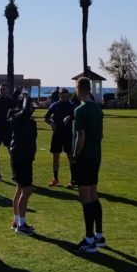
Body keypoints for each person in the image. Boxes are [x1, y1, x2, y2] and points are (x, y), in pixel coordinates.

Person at [73, 77, 105, 254]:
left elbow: (81, 137)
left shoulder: (80, 110)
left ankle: (89, 239)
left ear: (78, 89)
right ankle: (99, 236)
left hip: (84, 158)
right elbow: (101, 136)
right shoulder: (97, 109)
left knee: (85, 197)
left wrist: (75, 155)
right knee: (94, 194)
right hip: (95, 156)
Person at [9, 93, 38, 234]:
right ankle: (21, 225)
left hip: (25, 157)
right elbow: (25, 111)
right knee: (27, 190)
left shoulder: (30, 121)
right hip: (21, 157)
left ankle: (16, 221)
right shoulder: (17, 117)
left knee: (20, 188)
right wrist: (26, 98)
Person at [44, 88, 75, 186]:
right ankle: (56, 179)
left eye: (66, 96)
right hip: (57, 134)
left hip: (68, 135)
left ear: (68, 96)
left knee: (70, 157)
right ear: (59, 96)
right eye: (62, 96)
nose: (64, 98)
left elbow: (77, 116)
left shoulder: (72, 106)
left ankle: (73, 180)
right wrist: (51, 123)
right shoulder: (55, 105)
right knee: (55, 156)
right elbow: (46, 117)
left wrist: (70, 117)